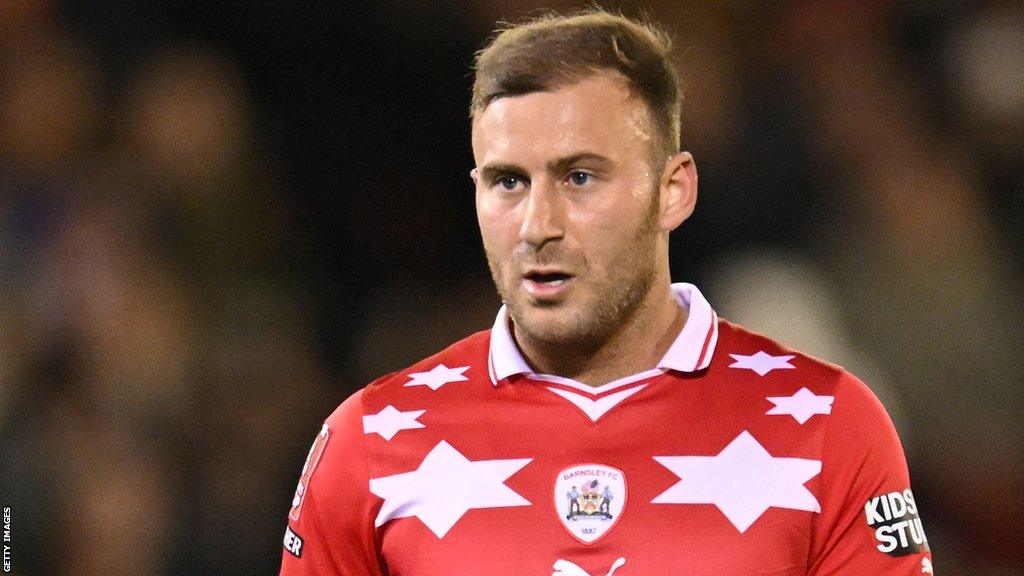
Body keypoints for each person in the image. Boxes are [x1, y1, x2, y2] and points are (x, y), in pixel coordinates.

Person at [279, 9, 933, 575]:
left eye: (581, 177)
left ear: (673, 189)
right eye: (508, 182)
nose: (539, 226)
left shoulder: (826, 426)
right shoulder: (368, 444)